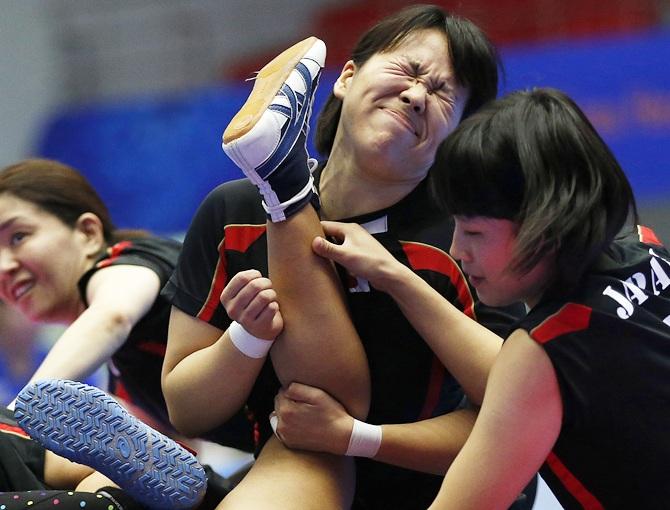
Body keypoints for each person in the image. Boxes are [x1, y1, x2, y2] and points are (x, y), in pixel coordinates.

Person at [162, 5, 529, 509]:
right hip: (295, 461)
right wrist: (247, 337)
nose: (417, 95)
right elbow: (187, 409)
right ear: (346, 77)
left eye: (444, 94)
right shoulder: (232, 213)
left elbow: (518, 419)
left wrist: (355, 435)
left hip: (442, 492)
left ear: (458, 136)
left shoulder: (465, 238)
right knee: (303, 448)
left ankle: (287, 192)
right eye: (408, 70)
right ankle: (287, 192)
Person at [306, 88, 670, 509]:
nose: (459, 250)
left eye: (474, 231)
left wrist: (351, 435)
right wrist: (393, 275)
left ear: (544, 223)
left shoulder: (545, 349)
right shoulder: (649, 251)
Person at [0, 159, 213, 508]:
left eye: (18, 237)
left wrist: (15, 421)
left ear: (87, 233)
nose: (3, 267)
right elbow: (177, 460)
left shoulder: (123, 263)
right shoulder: (121, 375)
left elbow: (112, 316)